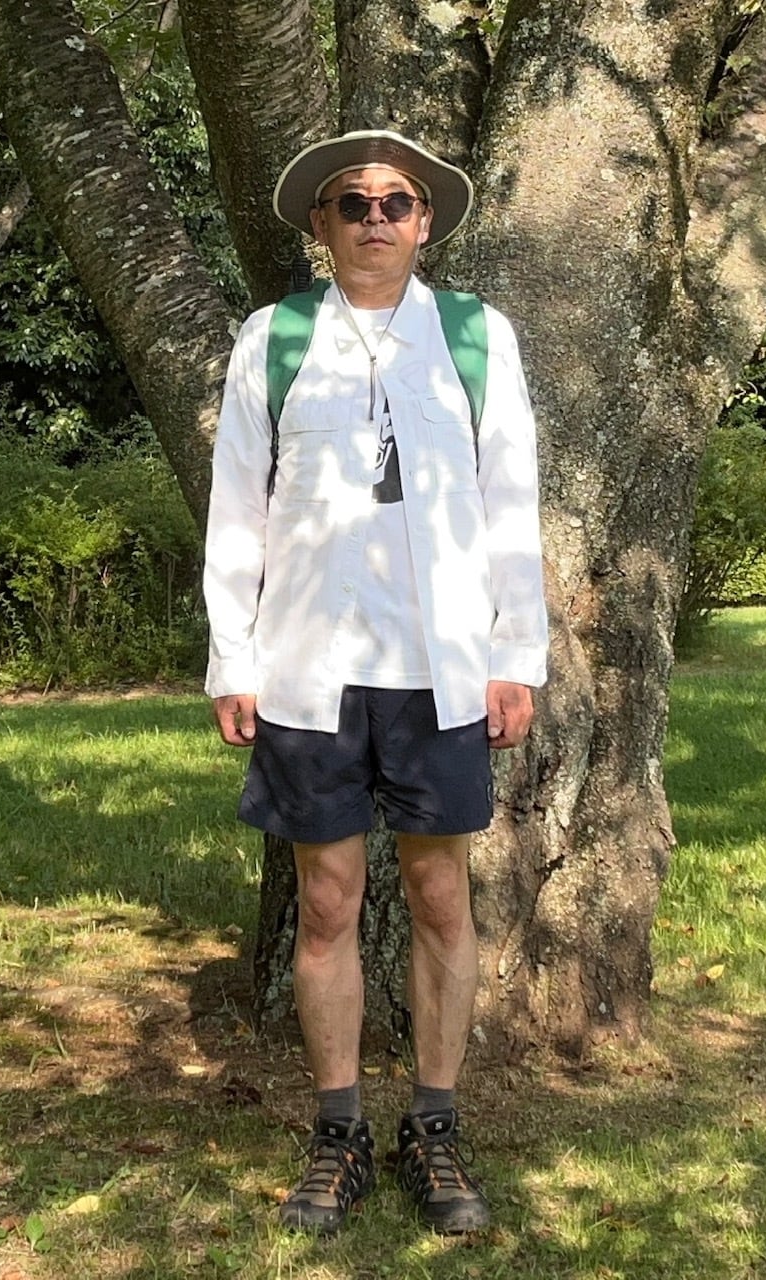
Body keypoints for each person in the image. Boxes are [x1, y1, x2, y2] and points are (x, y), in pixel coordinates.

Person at [203, 129, 548, 1236]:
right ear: (321, 223)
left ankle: (434, 1128)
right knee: (325, 902)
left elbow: (510, 500)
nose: (374, 218)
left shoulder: (475, 337)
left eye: (395, 201)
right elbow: (236, 507)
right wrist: (231, 656)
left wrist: (515, 654)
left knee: (441, 897)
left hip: (441, 669)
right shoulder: (273, 338)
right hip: (307, 670)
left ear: (424, 220)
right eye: (350, 202)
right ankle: (338, 1131)